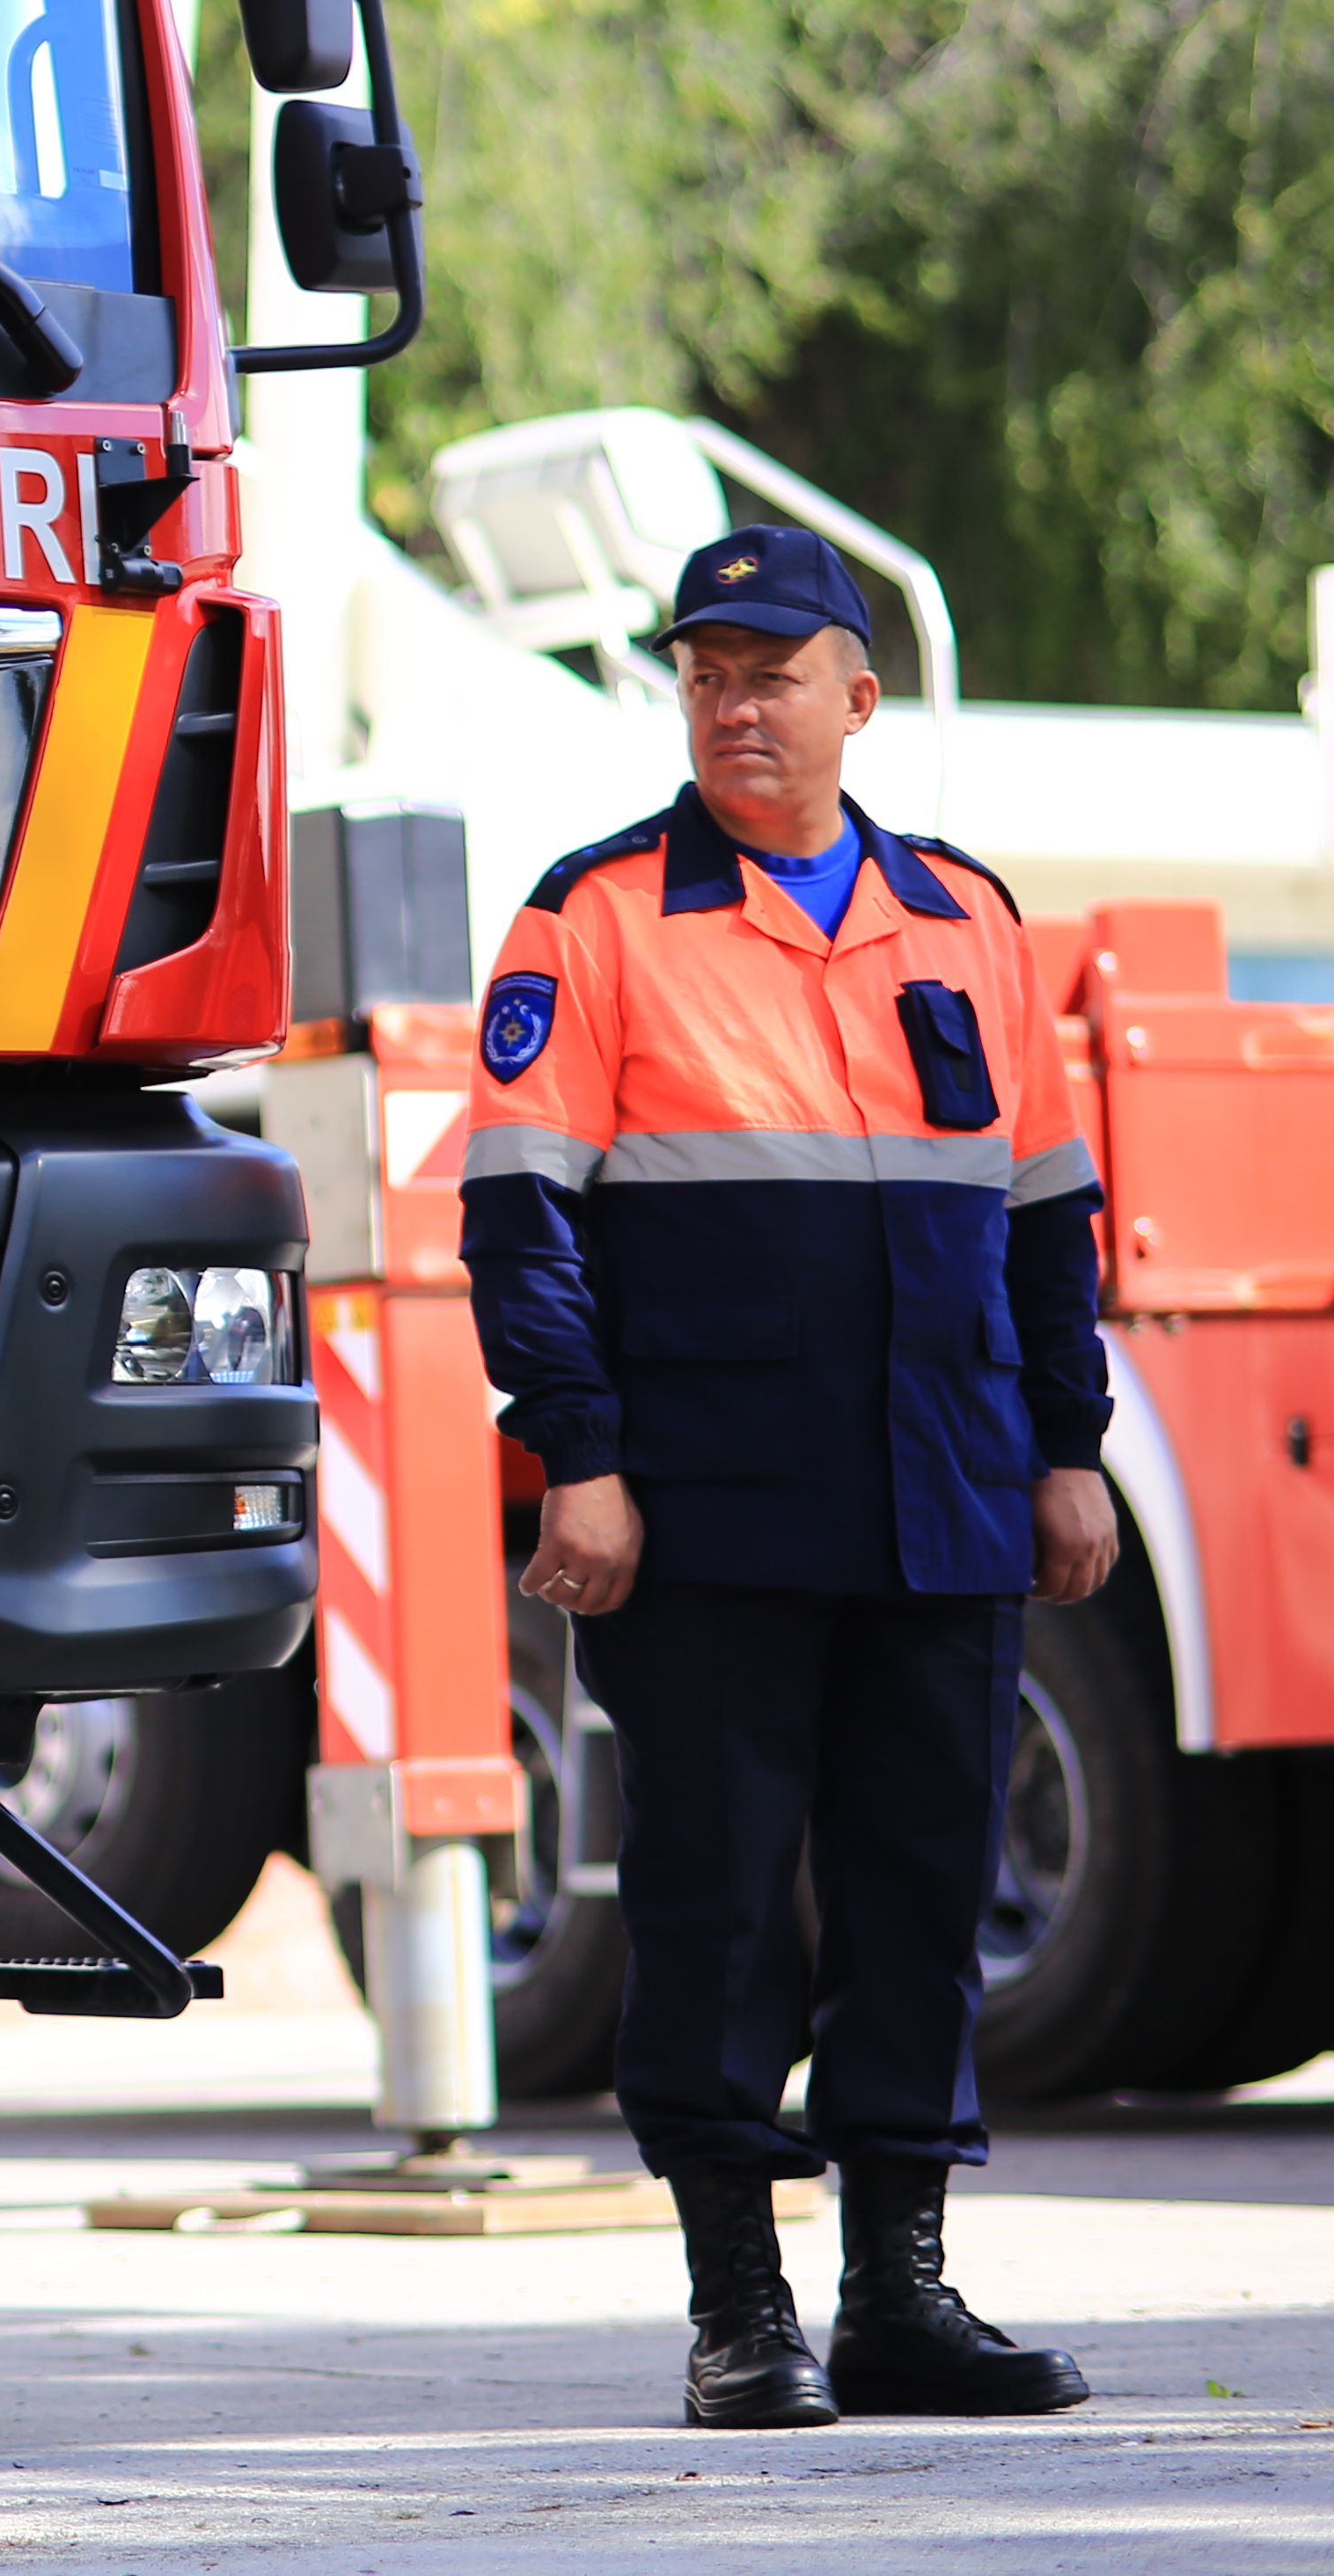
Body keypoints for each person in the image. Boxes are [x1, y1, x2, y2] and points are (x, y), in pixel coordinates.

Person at [458, 524, 1110, 2433]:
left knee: (925, 1890)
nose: (735, 705)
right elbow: (520, 1219)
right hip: (711, 1504)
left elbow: (1047, 1215)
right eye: (706, 674)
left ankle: (898, 2296)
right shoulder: (594, 917)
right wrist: (581, 1458)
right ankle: (740, 2312)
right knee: (718, 1903)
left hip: (947, 1488)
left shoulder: (966, 916)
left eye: (773, 672)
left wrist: (1067, 1449)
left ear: (858, 697)